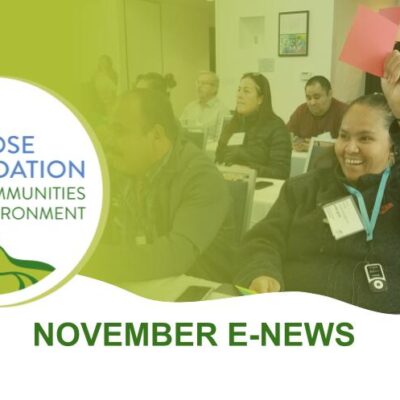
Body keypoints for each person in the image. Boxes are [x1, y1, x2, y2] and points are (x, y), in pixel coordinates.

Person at [235, 59, 400, 313]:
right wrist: (262, 271)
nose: (349, 147)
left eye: (365, 138)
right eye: (344, 136)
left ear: (392, 149)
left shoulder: (394, 194)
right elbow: (263, 239)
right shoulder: (303, 189)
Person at [84, 88, 235, 285]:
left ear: (156, 135)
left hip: (193, 296)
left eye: (119, 130)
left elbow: (173, 257)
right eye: (110, 129)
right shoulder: (123, 168)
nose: (110, 139)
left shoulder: (201, 177)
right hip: (138, 285)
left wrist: (88, 261)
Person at [215, 73, 291, 179]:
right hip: (229, 185)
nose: (239, 95)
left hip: (262, 190)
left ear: (260, 99)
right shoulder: (231, 125)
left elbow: (281, 172)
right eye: (239, 90)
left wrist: (248, 171)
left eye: (246, 91)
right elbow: (218, 160)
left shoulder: (276, 127)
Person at [288, 75, 348, 152]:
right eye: (308, 98)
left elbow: (348, 144)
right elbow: (285, 136)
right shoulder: (301, 111)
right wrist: (293, 142)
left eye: (317, 97)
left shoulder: (344, 112)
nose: (312, 102)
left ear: (329, 94)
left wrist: (317, 147)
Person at [180, 71, 229, 142]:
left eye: (203, 83)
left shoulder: (222, 111)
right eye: (198, 82)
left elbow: (222, 141)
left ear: (214, 88)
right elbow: (179, 129)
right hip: (190, 149)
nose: (199, 86)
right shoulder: (190, 107)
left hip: (209, 151)